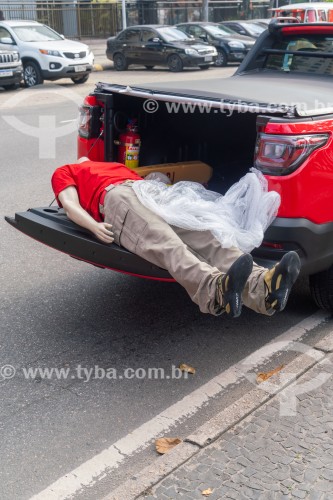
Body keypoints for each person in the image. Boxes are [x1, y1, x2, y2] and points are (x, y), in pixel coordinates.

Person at [51, 159, 301, 319]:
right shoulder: (66, 170)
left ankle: (263, 286)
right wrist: (94, 226)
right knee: (167, 244)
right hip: (118, 198)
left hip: (149, 194)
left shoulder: (111, 165)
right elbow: (70, 205)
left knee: (207, 236)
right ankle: (216, 290)